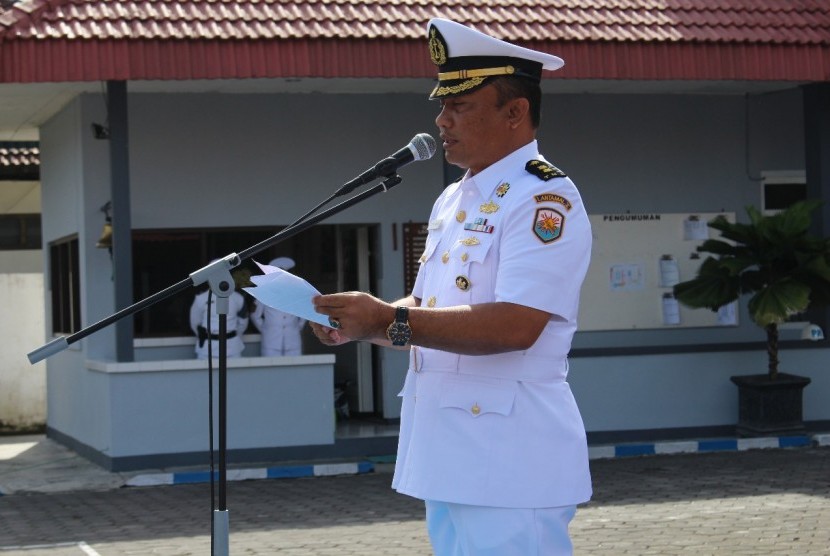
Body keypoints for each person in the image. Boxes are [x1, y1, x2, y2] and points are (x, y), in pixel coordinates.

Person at [310, 17, 592, 555]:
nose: (442, 120)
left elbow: (516, 323)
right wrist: (360, 325)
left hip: (510, 455)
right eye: (442, 105)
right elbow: (431, 307)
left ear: (516, 112)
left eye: (460, 106)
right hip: (450, 447)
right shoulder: (455, 198)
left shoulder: (542, 199)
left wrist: (386, 320)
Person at [189, 264, 250, 359]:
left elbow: (243, 322)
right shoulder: (201, 299)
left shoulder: (238, 298)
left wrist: (232, 335)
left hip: (232, 347)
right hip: (207, 347)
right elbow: (195, 323)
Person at [250, 257, 307, 356]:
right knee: (271, 369)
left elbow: (304, 312)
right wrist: (266, 329)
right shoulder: (264, 291)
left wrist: (297, 327)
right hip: (271, 341)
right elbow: (255, 315)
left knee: (294, 369)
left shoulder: (296, 291)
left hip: (292, 340)